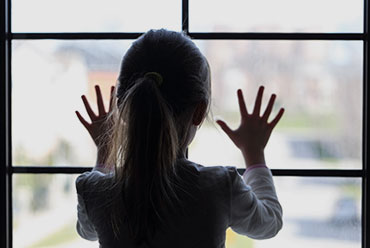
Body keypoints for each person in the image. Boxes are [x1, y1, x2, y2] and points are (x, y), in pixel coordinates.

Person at [75, 29, 284, 248]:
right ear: (199, 112)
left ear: (122, 107)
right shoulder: (220, 187)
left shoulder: (94, 191)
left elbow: (87, 230)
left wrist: (105, 149)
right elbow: (269, 223)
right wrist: (254, 152)